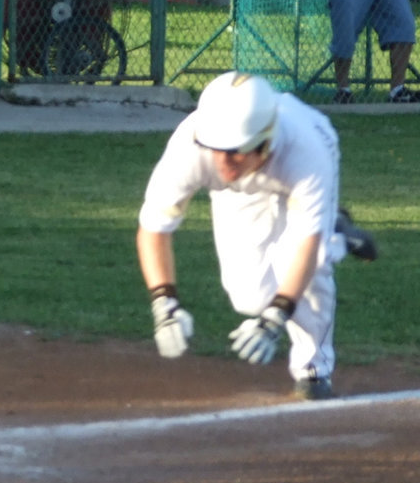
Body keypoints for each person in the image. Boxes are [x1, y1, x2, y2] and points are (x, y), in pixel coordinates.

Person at [135, 71, 377, 401]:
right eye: (215, 149)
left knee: (315, 260)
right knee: (249, 297)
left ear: (265, 140)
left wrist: (276, 317)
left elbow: (307, 245)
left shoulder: (306, 151)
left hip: (295, 176)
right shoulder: (192, 147)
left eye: (235, 150)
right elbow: (153, 228)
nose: (222, 161)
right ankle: (332, 226)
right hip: (240, 191)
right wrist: (165, 305)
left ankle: (313, 371)